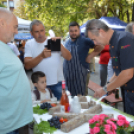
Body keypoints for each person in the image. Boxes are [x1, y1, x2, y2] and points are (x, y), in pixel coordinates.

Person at [86, 19, 134, 116]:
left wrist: (105, 89)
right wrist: (106, 87)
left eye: (94, 39)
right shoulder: (112, 43)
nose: (94, 43)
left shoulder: (124, 39)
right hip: (127, 93)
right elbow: (117, 73)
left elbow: (127, 74)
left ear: (101, 32)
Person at [0, 8, 33, 134]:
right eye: (15, 27)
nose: (16, 31)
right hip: (6, 127)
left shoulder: (5, 46)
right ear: (1, 23)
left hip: (12, 123)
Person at [24, 20, 72, 100]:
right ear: (31, 33)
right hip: (40, 85)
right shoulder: (29, 44)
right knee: (42, 110)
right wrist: (42, 56)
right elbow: (27, 66)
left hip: (58, 83)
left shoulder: (53, 41)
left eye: (42, 30)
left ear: (45, 30)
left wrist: (59, 45)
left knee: (64, 108)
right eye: (36, 31)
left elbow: (69, 57)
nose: (40, 34)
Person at [63, 22, 103, 96]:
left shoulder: (85, 41)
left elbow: (100, 46)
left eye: (75, 30)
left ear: (79, 31)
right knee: (69, 95)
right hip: (68, 74)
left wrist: (90, 56)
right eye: (71, 31)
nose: (73, 33)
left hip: (80, 74)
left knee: (81, 96)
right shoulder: (67, 42)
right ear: (69, 31)